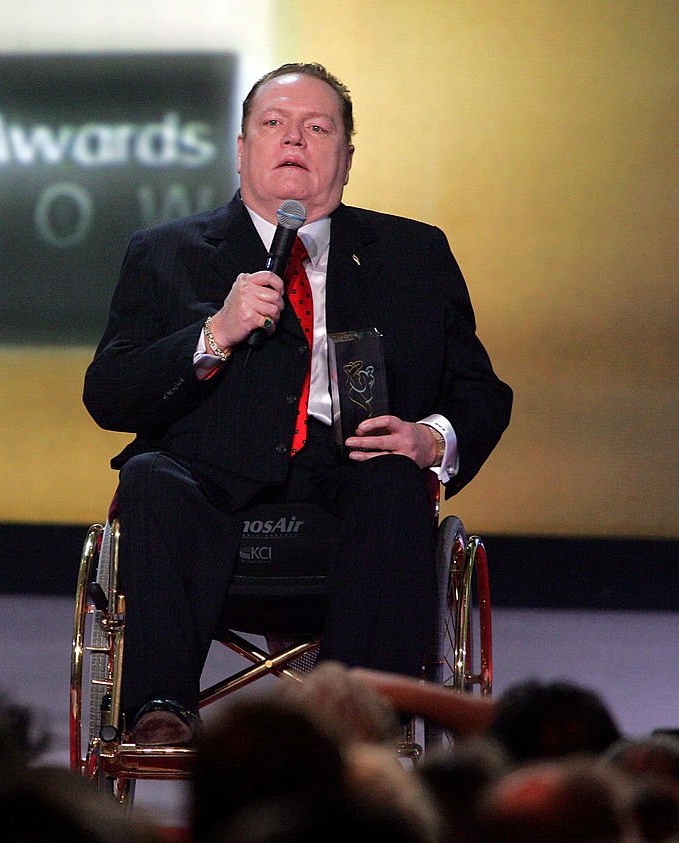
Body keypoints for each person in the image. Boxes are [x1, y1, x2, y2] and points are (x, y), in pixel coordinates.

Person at [83, 61, 512, 745]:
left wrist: (430, 439)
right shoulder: (165, 254)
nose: (294, 141)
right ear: (243, 147)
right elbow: (109, 391)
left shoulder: (412, 254)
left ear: (345, 156)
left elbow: (480, 392)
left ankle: (357, 716)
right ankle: (159, 705)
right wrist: (213, 335)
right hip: (207, 483)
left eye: (317, 128)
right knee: (150, 476)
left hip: (352, 482)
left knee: (397, 481)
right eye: (274, 125)